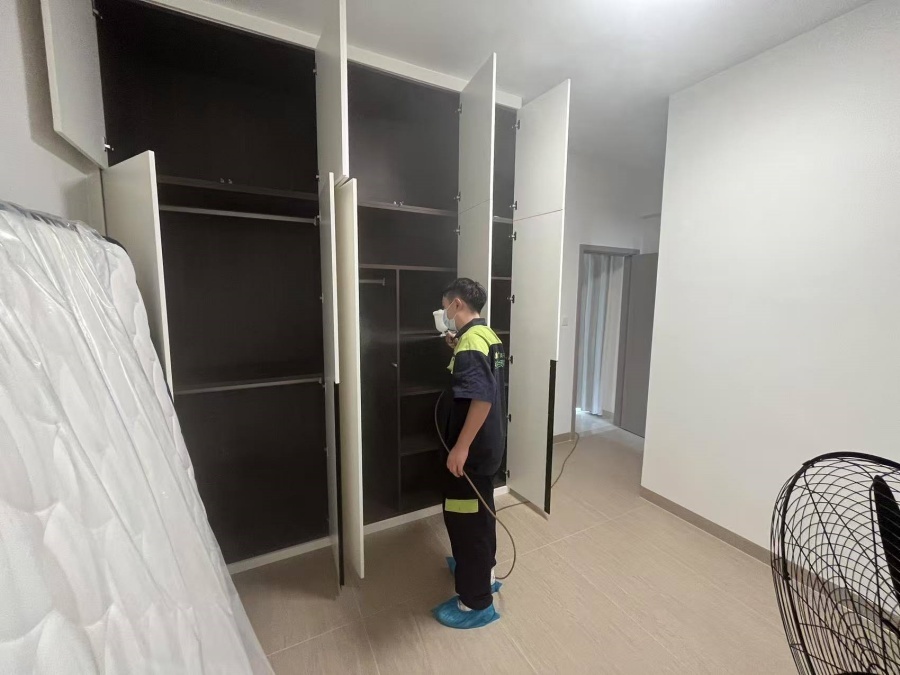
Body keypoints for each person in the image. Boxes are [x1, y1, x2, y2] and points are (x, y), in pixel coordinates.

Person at [432, 278, 507, 629]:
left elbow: (481, 398)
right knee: (481, 514)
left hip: (471, 453)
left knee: (466, 523)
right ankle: (483, 572)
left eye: (444, 306)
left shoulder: (471, 344)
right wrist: (456, 344)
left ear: (457, 304)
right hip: (488, 446)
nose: (443, 312)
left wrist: (460, 448)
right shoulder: (485, 336)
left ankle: (475, 603)